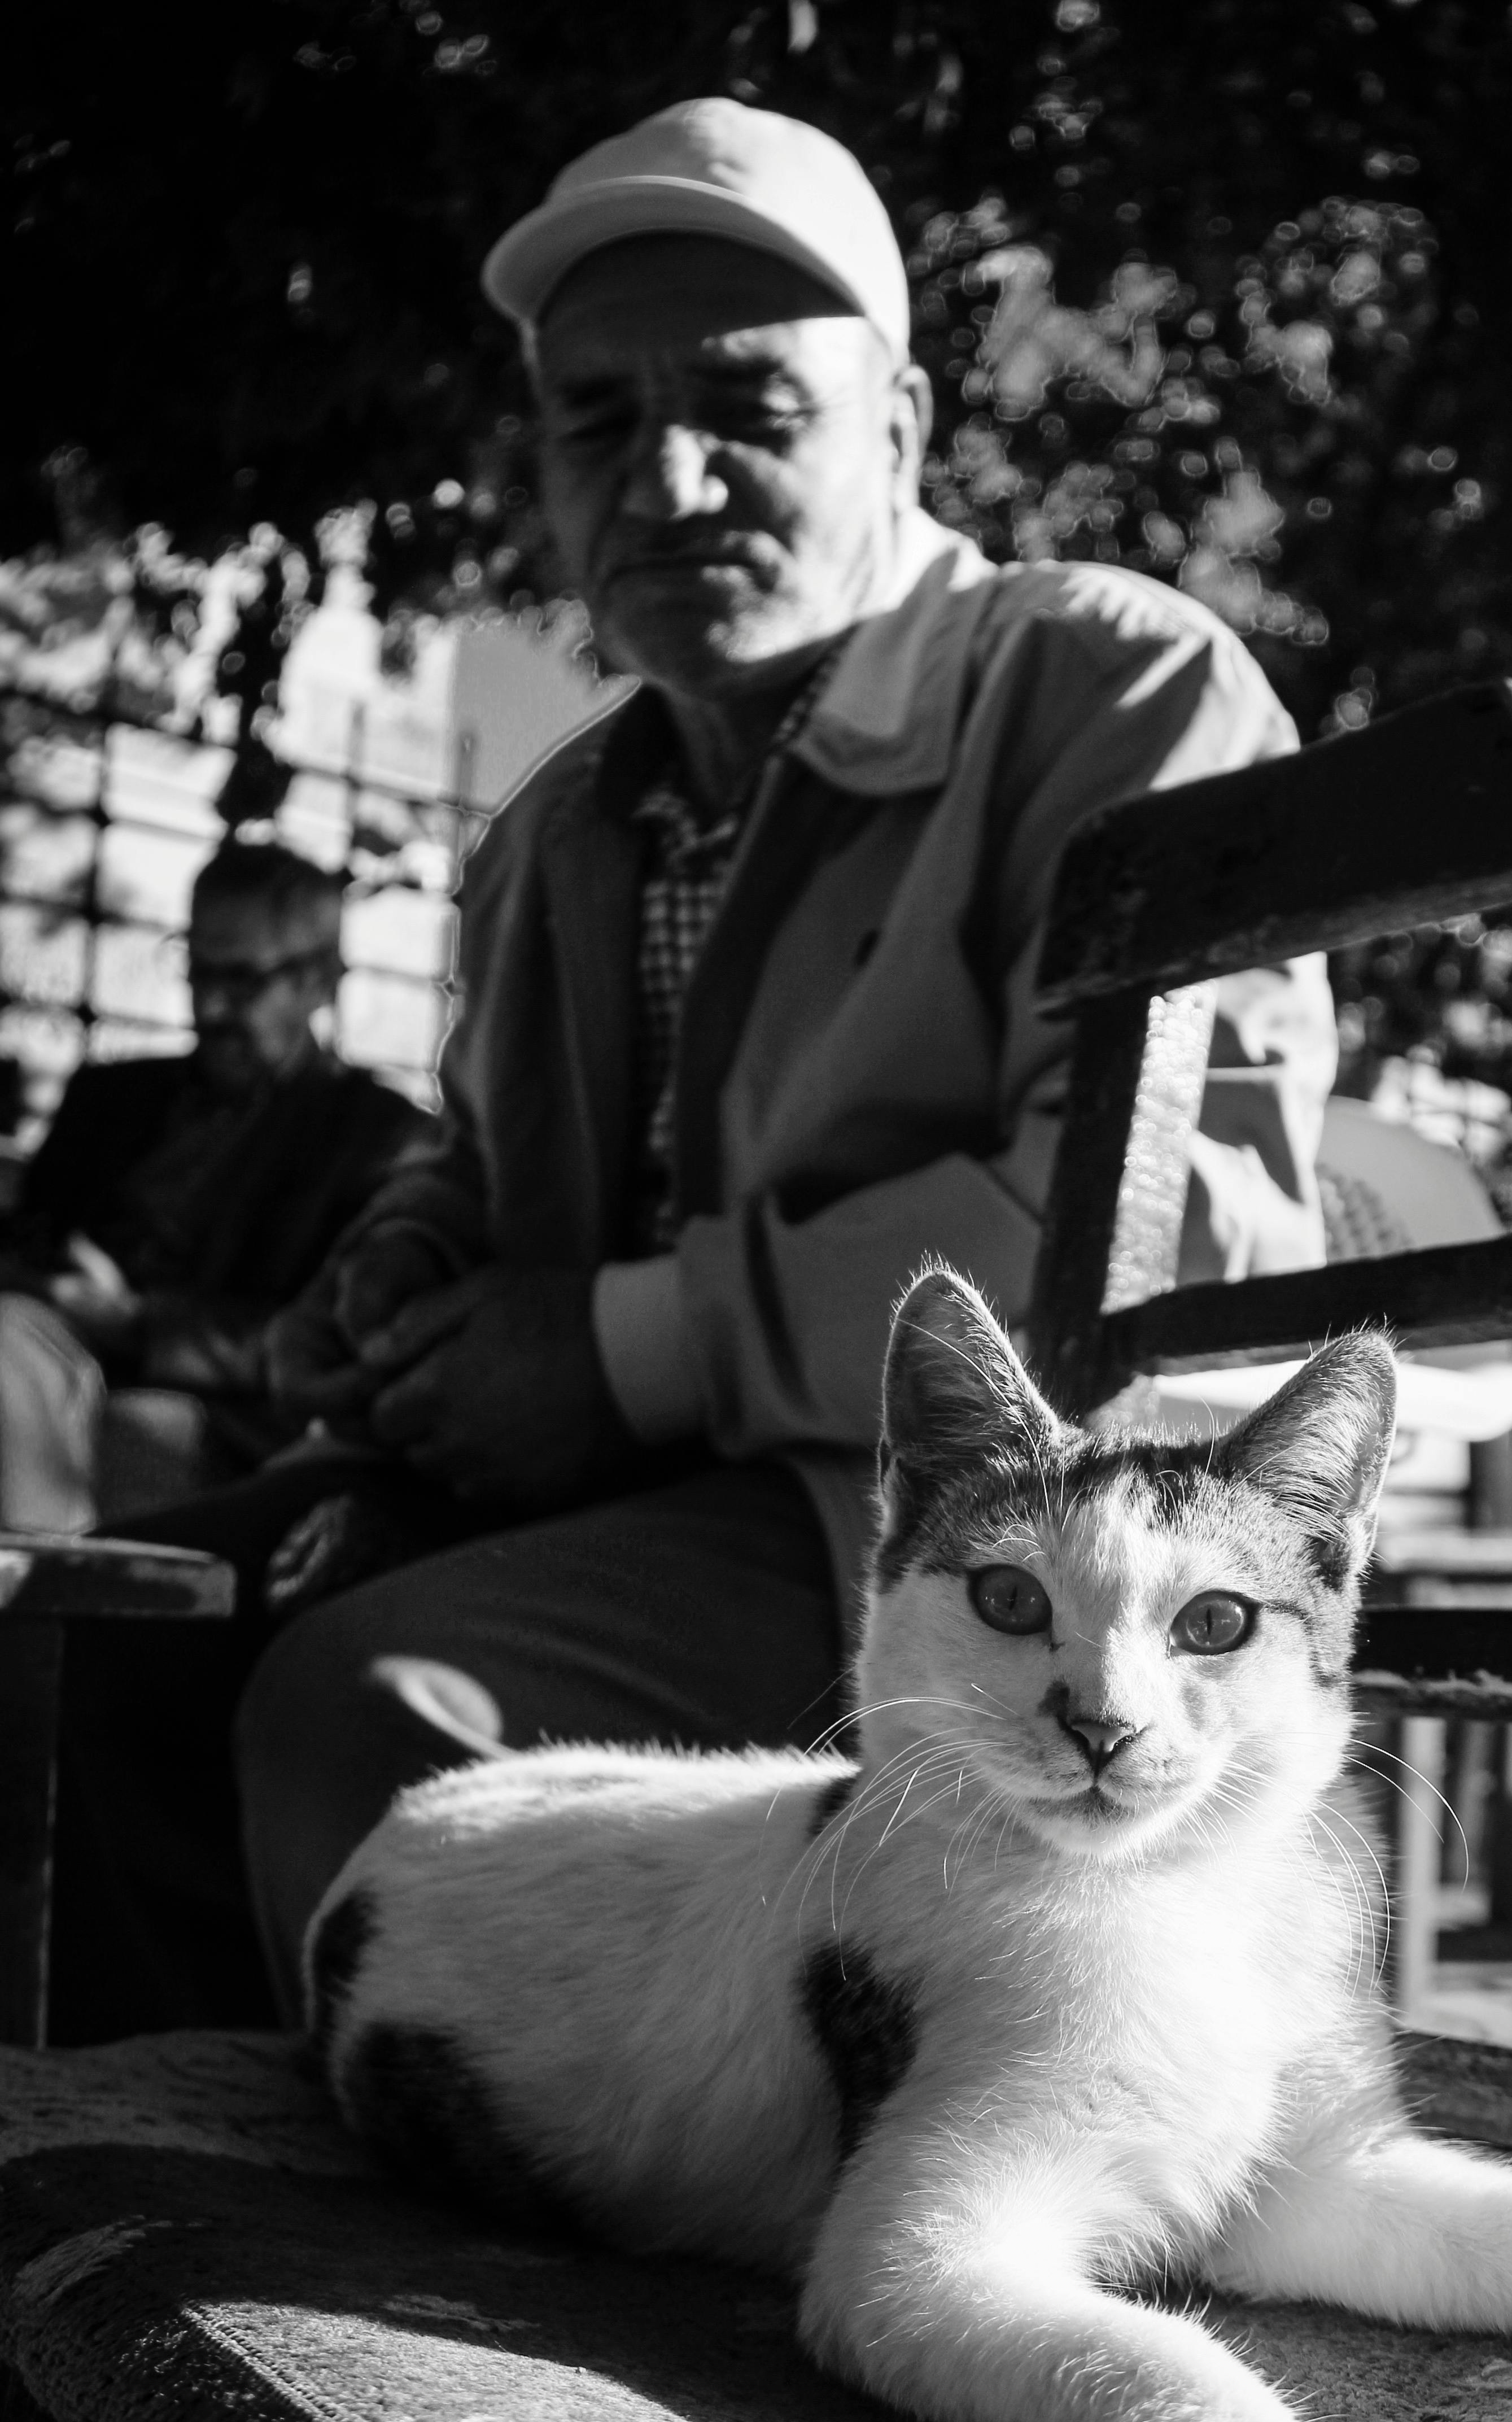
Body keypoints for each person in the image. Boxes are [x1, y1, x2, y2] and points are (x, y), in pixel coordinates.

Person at [50, 98, 1339, 2042]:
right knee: (66, 1645)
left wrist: (611, 1350)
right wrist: (395, 1279)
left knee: (383, 1710)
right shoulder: (564, 817)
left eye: (748, 406)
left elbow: (1129, 1251)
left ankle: (442, 2302)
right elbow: (477, 1168)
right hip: (600, 1504)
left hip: (937, 1546)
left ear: (898, 429)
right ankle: (125, 2232)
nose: (663, 476)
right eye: (595, 421)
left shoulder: (1108, 687)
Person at [0, 841, 417, 1530]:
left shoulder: (376, 1139)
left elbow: (337, 1338)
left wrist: (138, 1322)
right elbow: (34, 1232)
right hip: (47, 1343)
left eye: (242, 980)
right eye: (197, 971)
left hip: (211, 1407)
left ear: (320, 980)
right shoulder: (110, 1097)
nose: (213, 1006)